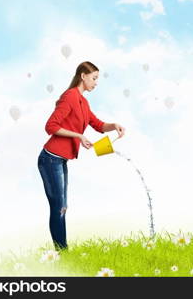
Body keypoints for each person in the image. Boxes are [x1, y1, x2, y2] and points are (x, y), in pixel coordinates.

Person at [37, 61, 125, 251]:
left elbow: (97, 124)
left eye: (97, 79)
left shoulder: (83, 102)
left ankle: (62, 251)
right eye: (94, 78)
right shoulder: (69, 97)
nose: (96, 82)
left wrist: (114, 125)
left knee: (62, 207)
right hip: (50, 158)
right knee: (58, 208)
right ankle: (62, 253)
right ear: (83, 76)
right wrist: (78, 135)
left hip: (60, 160)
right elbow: (50, 126)